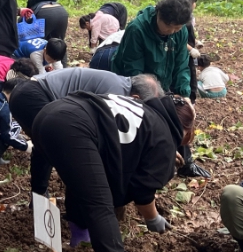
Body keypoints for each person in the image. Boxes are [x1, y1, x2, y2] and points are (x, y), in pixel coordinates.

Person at [31, 93, 194, 252]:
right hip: (73, 127)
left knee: (83, 179)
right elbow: (143, 193)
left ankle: (80, 237)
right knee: (99, 202)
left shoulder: (144, 110)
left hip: (48, 113)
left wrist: (38, 189)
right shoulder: (164, 139)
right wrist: (153, 218)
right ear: (183, 128)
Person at [9, 70, 165, 195]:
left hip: (28, 93)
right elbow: (107, 138)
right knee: (63, 149)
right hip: (32, 96)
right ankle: (72, 201)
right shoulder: (116, 94)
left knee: (46, 147)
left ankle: (40, 194)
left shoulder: (119, 84)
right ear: (136, 98)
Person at [111, 0, 206, 178]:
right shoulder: (137, 29)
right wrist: (154, 102)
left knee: (178, 113)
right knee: (145, 120)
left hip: (162, 79)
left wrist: (184, 95)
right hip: (134, 81)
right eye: (169, 27)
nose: (172, 31)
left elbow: (181, 65)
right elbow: (134, 71)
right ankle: (141, 163)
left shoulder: (179, 32)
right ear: (158, 15)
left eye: (177, 28)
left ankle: (186, 163)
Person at [178, 0, 202, 103]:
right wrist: (191, 49)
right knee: (188, 77)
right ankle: (188, 103)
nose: (195, 5)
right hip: (183, 54)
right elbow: (177, 38)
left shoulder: (189, 17)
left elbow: (186, 36)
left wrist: (195, 42)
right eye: (194, 2)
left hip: (187, 52)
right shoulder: (180, 19)